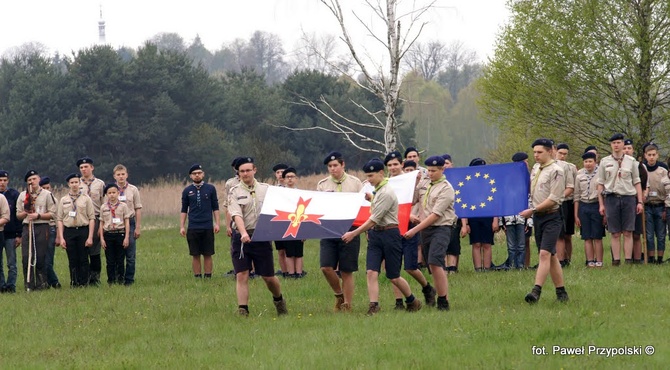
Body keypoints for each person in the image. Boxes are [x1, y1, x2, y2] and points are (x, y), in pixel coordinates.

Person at [343, 158, 422, 315]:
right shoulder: (378, 190)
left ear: (381, 173)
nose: (368, 179)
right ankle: (374, 305)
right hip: (376, 236)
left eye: (371, 176)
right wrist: (371, 199)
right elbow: (377, 207)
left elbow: (374, 219)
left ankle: (412, 300)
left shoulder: (386, 192)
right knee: (371, 272)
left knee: (393, 276)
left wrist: (354, 233)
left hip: (390, 234)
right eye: (367, 176)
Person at [228, 157, 288, 317]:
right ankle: (243, 310)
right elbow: (236, 214)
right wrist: (243, 233)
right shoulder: (234, 192)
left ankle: (279, 300)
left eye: (248, 170)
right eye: (242, 171)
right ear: (238, 173)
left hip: (262, 236)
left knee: (268, 277)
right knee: (242, 274)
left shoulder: (267, 189)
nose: (245, 174)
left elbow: (281, 208)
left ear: (255, 170)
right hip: (241, 237)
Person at [404, 155, 457, 311]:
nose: (430, 173)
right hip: (425, 229)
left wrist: (414, 230)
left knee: (435, 261)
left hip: (441, 227)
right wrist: (414, 183)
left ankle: (443, 300)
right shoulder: (424, 183)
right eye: (428, 170)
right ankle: (438, 293)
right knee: (431, 266)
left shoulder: (446, 188)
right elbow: (412, 200)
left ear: (442, 169)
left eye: (434, 171)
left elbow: (435, 215)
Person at [384, 151, 435, 309]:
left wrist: (411, 216)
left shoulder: (411, 180)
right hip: (391, 228)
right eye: (390, 165)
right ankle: (399, 301)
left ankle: (427, 287)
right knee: (393, 268)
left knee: (410, 267)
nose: (393, 167)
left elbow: (417, 201)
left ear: (402, 164)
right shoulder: (384, 183)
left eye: (395, 164)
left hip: (409, 227)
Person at [520, 139, 568, 304]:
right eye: (534, 152)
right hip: (538, 217)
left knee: (544, 253)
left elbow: (554, 199)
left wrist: (532, 210)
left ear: (550, 151)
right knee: (551, 255)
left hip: (552, 216)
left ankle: (536, 291)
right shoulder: (535, 168)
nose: (536, 155)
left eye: (539, 152)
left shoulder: (556, 171)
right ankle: (561, 292)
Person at [317, 151, 363, 312]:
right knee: (326, 267)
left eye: (335, 165)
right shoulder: (322, 185)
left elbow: (363, 207)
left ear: (343, 165)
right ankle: (339, 295)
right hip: (329, 229)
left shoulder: (356, 183)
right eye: (330, 166)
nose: (332, 169)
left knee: (346, 270)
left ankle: (347, 305)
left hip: (350, 228)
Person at [597, 134, 643, 265]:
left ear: (623, 144)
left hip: (628, 198)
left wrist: (639, 201)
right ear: (611, 145)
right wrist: (601, 204)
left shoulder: (632, 161)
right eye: (613, 143)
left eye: (618, 142)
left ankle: (628, 260)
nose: (616, 145)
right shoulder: (604, 162)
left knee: (628, 231)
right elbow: (600, 184)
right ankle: (615, 261)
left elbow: (637, 182)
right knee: (615, 232)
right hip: (611, 198)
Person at [16, 170, 57, 291]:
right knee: (26, 257)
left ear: (39, 179)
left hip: (42, 226)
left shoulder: (47, 194)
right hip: (27, 227)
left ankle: (41, 285)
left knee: (41, 257)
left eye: (33, 179)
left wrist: (38, 215)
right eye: (29, 180)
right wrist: (26, 212)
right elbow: (18, 215)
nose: (31, 182)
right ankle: (29, 284)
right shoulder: (23, 195)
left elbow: (53, 214)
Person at [180, 164, 220, 279]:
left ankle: (208, 276)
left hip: (207, 226)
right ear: (190, 176)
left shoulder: (210, 188)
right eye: (194, 173)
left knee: (208, 253)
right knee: (195, 254)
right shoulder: (187, 191)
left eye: (199, 173)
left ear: (203, 174)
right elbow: (184, 209)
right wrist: (182, 226)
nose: (197, 175)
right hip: (193, 226)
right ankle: (197, 277)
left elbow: (215, 207)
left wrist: (217, 223)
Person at [55, 173, 95, 287]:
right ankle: (74, 282)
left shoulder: (86, 199)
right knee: (72, 258)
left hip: (83, 230)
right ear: (68, 184)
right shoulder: (63, 200)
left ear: (79, 183)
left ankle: (84, 282)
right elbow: (60, 219)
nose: (74, 185)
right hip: (69, 231)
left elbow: (91, 218)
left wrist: (90, 237)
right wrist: (61, 237)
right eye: (72, 183)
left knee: (83, 258)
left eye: (76, 182)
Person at [460, 158, 499, 272]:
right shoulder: (467, 184)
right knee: (476, 243)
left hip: (488, 216)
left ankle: (487, 268)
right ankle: (478, 269)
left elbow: (496, 202)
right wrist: (465, 223)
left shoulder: (490, 182)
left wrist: (495, 220)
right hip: (473, 216)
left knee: (487, 243)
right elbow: (464, 204)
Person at [77, 157, 105, 285]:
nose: (84, 169)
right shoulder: (76, 183)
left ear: (92, 168)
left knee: (95, 251)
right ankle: (84, 278)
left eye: (86, 167)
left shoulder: (99, 184)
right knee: (82, 251)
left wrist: (102, 224)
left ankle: (95, 278)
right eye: (81, 168)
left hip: (97, 218)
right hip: (82, 220)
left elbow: (104, 204)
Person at [499, 152, 530, 270]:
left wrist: (528, 221)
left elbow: (529, 200)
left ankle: (521, 265)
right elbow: (502, 201)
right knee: (511, 245)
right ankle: (512, 265)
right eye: (525, 161)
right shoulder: (506, 180)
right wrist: (502, 221)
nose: (527, 163)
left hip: (523, 217)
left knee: (522, 244)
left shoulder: (528, 178)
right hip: (509, 218)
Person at [113, 164, 143, 285]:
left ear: (127, 175)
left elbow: (138, 208)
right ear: (114, 176)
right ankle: (117, 278)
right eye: (118, 175)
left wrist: (138, 227)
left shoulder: (133, 189)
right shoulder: (110, 189)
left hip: (129, 222)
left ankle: (129, 280)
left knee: (130, 254)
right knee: (116, 255)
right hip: (115, 223)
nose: (121, 177)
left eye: (123, 174)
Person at [574, 152, 605, 267]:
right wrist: (576, 215)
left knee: (597, 235)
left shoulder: (600, 175)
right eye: (586, 162)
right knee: (586, 236)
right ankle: (590, 261)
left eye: (590, 161)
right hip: (583, 206)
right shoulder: (579, 176)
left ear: (595, 162)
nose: (588, 164)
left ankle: (599, 261)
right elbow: (576, 196)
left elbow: (603, 193)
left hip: (596, 204)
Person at [642, 143, 670, 264]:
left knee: (661, 234)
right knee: (649, 234)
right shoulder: (642, 169)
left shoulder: (663, 170)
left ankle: (660, 258)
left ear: (657, 155)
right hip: (648, 206)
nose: (652, 157)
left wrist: (665, 208)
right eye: (649, 155)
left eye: (654, 155)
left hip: (660, 205)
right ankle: (651, 258)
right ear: (645, 156)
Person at [99, 184, 131, 285]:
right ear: (106, 195)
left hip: (120, 233)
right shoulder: (103, 207)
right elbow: (101, 223)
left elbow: (126, 222)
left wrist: (126, 237)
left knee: (120, 259)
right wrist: (102, 238)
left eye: (114, 192)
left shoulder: (123, 206)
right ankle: (111, 281)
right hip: (108, 234)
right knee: (110, 260)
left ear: (118, 193)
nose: (112, 195)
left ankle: (120, 280)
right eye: (109, 193)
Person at [278, 167, 305, 278]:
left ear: (296, 178)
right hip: (285, 224)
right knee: (289, 251)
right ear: (283, 179)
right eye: (287, 177)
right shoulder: (281, 193)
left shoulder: (301, 193)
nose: (290, 179)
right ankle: (290, 273)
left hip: (299, 223)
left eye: (292, 177)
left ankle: (299, 273)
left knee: (298, 251)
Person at [623, 139, 648, 262]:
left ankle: (637, 259)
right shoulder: (617, 164)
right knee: (621, 232)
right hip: (622, 200)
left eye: (629, 148)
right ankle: (625, 258)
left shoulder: (639, 166)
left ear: (633, 150)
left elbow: (644, 185)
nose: (626, 150)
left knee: (637, 232)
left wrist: (641, 198)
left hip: (635, 199)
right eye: (625, 148)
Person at [555, 143, 577, 267]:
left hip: (568, 201)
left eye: (565, 154)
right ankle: (560, 260)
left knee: (568, 234)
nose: (562, 156)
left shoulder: (571, 167)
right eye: (560, 153)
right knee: (559, 234)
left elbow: (574, 186)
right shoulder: (551, 166)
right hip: (555, 201)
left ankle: (568, 259)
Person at [0, 170, 21, 293]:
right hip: (0, 232)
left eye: (4, 180)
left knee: (11, 262)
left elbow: (17, 216)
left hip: (11, 233)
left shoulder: (14, 194)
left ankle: (11, 285)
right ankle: (2, 285)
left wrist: (19, 234)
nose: (2, 183)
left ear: (8, 181)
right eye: (0, 180)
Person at [39, 177, 61, 288]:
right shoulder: (38, 199)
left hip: (51, 229)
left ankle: (54, 282)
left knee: (48, 259)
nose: (47, 190)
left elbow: (58, 219)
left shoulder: (54, 200)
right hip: (40, 229)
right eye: (44, 188)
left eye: (48, 187)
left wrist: (58, 235)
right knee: (41, 258)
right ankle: (46, 282)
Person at [442, 154, 461, 273]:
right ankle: (444, 268)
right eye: (442, 164)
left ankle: (453, 268)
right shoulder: (436, 180)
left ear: (452, 164)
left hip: (455, 216)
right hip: (440, 217)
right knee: (442, 243)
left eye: (447, 163)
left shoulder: (459, 178)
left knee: (453, 242)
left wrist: (465, 223)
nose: (445, 166)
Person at [272, 163, 290, 276]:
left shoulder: (293, 189)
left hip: (291, 222)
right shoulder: (272, 190)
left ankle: (293, 270)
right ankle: (284, 272)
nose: (280, 174)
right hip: (278, 223)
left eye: (282, 172)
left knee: (291, 250)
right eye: (278, 172)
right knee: (281, 250)